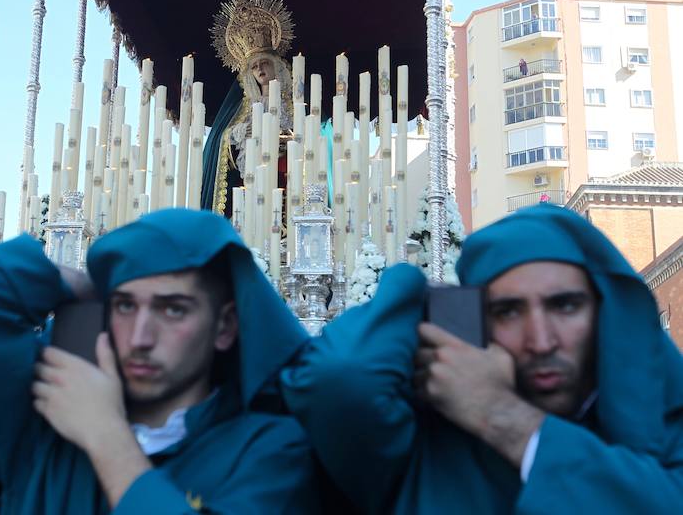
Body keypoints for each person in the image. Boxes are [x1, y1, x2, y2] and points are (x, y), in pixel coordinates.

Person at [281, 204, 683, 513]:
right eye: (508, 311)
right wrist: (411, 292)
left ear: (602, 313)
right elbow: (339, 378)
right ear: (474, 319)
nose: (541, 342)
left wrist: (503, 417)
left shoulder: (667, 430)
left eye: (565, 306)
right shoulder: (422, 442)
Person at [0, 208, 321, 513]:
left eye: (172, 310)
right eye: (124, 306)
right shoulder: (47, 409)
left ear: (224, 327)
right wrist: (83, 287)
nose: (139, 339)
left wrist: (106, 436)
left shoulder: (270, 448)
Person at [202, 0, 295, 215]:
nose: (260, 69)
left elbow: (313, 135)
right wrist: (242, 131)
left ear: (277, 66)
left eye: (264, 63)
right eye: (254, 67)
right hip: (249, 184)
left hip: (285, 182)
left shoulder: (295, 104)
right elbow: (222, 142)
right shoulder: (241, 109)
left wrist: (286, 137)